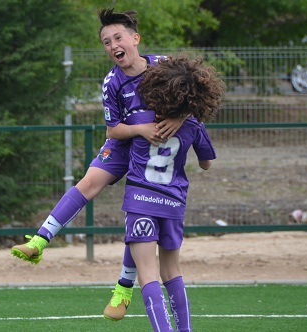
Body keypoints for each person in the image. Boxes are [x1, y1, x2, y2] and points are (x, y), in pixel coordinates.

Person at [11, 8, 184, 322]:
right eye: (106, 42)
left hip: (153, 155)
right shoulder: (111, 82)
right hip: (124, 142)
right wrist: (139, 129)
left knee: (139, 213)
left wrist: (178, 118)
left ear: (135, 38)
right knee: (88, 183)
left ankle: (123, 288)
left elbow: (194, 97)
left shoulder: (165, 65)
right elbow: (112, 129)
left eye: (117, 37)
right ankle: (39, 240)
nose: (112, 45)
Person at [120, 54, 225, 331]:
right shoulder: (193, 124)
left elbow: (114, 133)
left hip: (141, 200)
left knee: (148, 274)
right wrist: (188, 120)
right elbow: (207, 164)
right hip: (173, 203)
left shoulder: (140, 119)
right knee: (171, 272)